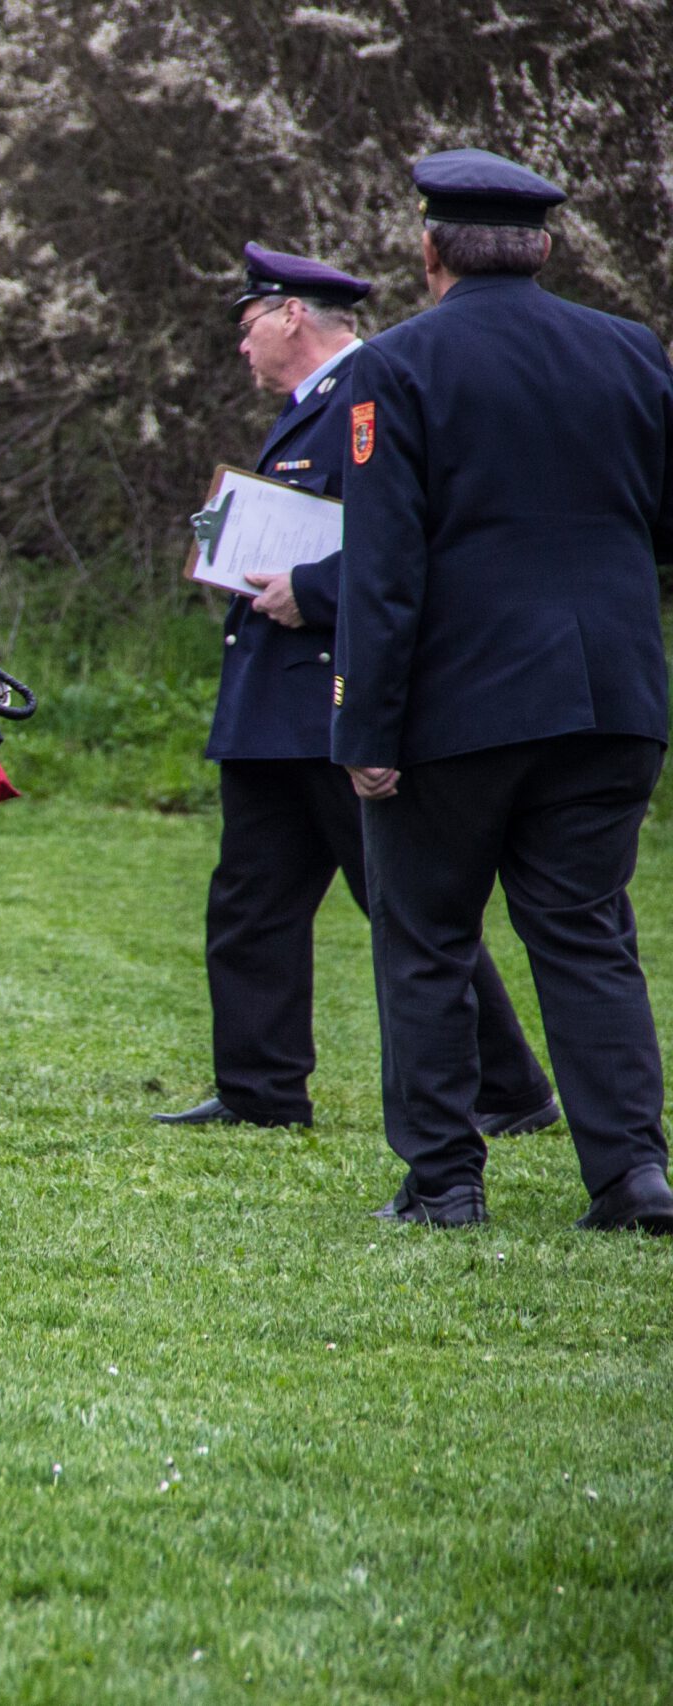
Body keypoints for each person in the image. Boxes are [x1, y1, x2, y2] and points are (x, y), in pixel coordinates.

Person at [335, 148, 673, 1232]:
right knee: (584, 931)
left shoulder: (395, 366)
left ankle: (443, 1176)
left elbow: (383, 567)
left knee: (426, 932)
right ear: (543, 248)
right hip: (612, 695)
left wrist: (364, 722)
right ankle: (630, 1172)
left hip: (459, 705)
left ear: (429, 249)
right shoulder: (632, 352)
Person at [156, 244, 555, 1133]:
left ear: (291, 315)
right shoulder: (312, 408)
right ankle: (259, 1092)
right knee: (250, 901)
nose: (241, 345)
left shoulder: (377, 390)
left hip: (337, 697)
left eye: (247, 323)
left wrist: (318, 590)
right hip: (273, 706)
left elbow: (417, 538)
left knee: (401, 901)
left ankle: (510, 1090)